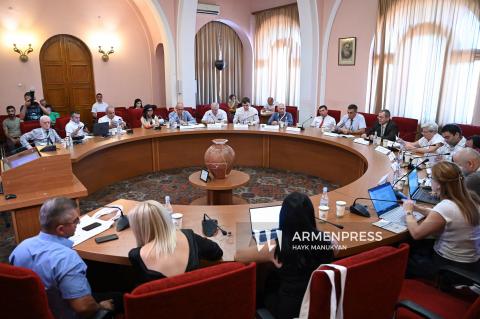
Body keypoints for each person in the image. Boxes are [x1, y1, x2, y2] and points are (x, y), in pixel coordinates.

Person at [9, 197, 116, 319]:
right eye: (75, 221)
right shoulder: (67, 259)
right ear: (60, 229)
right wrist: (100, 306)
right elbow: (84, 308)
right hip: (65, 314)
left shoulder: (20, 248)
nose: (78, 223)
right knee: (119, 298)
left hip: (36, 311)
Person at [235, 192, 334, 319]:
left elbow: (238, 255)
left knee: (263, 289)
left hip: (287, 310)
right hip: (316, 303)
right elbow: (334, 244)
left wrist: (254, 238)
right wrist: (313, 229)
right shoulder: (326, 242)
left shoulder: (276, 246)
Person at [403, 161, 480, 279]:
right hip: (471, 262)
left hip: (449, 265)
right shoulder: (470, 198)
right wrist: (419, 209)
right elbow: (449, 217)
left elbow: (416, 233)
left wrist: (408, 211)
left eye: (432, 178)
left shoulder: (446, 207)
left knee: (404, 256)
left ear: (439, 184)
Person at [128, 200, 223, 283]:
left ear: (137, 229)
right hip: (195, 298)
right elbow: (217, 253)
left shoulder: (136, 255)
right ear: (165, 219)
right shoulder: (188, 236)